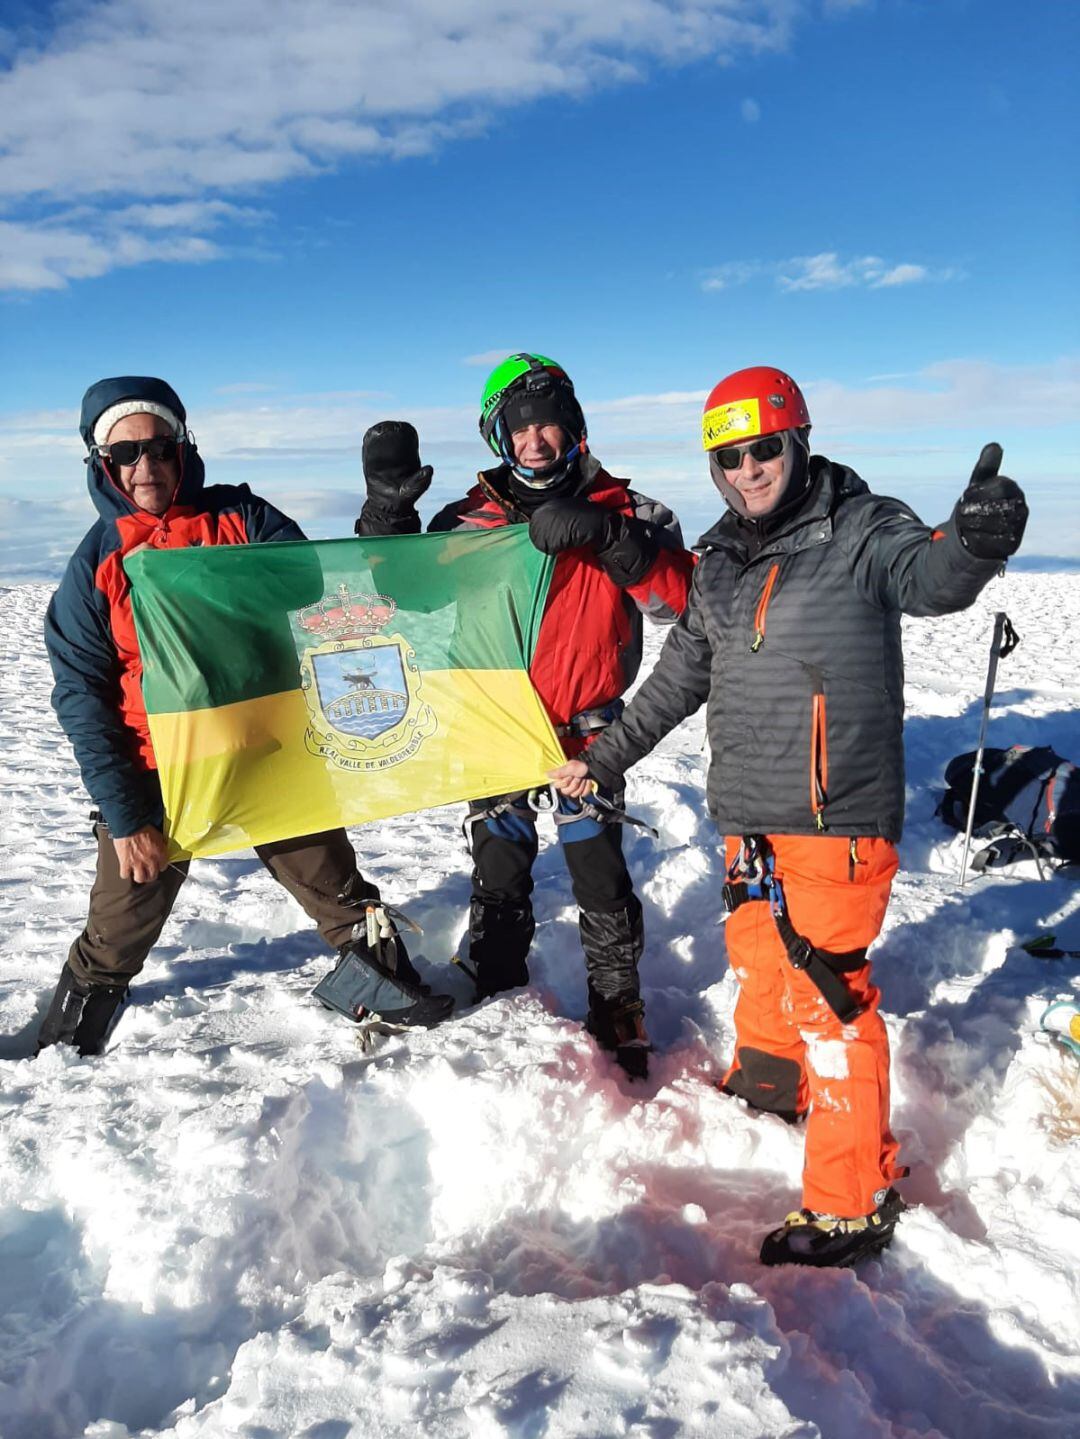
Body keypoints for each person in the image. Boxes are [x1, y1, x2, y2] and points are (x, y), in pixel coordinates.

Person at [551, 365, 1028, 1263]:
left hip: (835, 817)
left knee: (833, 1003)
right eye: (728, 457)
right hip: (751, 817)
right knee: (759, 957)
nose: (747, 469)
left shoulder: (861, 526)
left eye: (762, 448)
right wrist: (599, 760)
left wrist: (973, 541)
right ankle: (770, 1082)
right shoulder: (724, 556)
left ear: (796, 439)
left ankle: (852, 1197)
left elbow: (930, 576)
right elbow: (679, 677)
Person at [38, 376, 451, 1057]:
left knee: (336, 887)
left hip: (262, 748)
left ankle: (389, 998)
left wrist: (379, 519)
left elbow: (311, 584)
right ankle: (63, 1044)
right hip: (156, 771)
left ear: (182, 449)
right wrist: (124, 818)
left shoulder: (242, 519)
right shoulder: (95, 565)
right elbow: (82, 696)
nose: (147, 466)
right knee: (117, 928)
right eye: (126, 455)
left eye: (161, 447)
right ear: (101, 465)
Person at [356, 353, 695, 1076]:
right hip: (499, 723)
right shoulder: (470, 520)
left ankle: (617, 998)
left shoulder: (632, 511)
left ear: (573, 427)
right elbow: (399, 596)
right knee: (501, 859)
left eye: (547, 422)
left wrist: (612, 540)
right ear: (496, 438)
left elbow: (680, 605)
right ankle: (499, 970)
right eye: (517, 427)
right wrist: (387, 511)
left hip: (592, 726)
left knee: (597, 867)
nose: (534, 440)